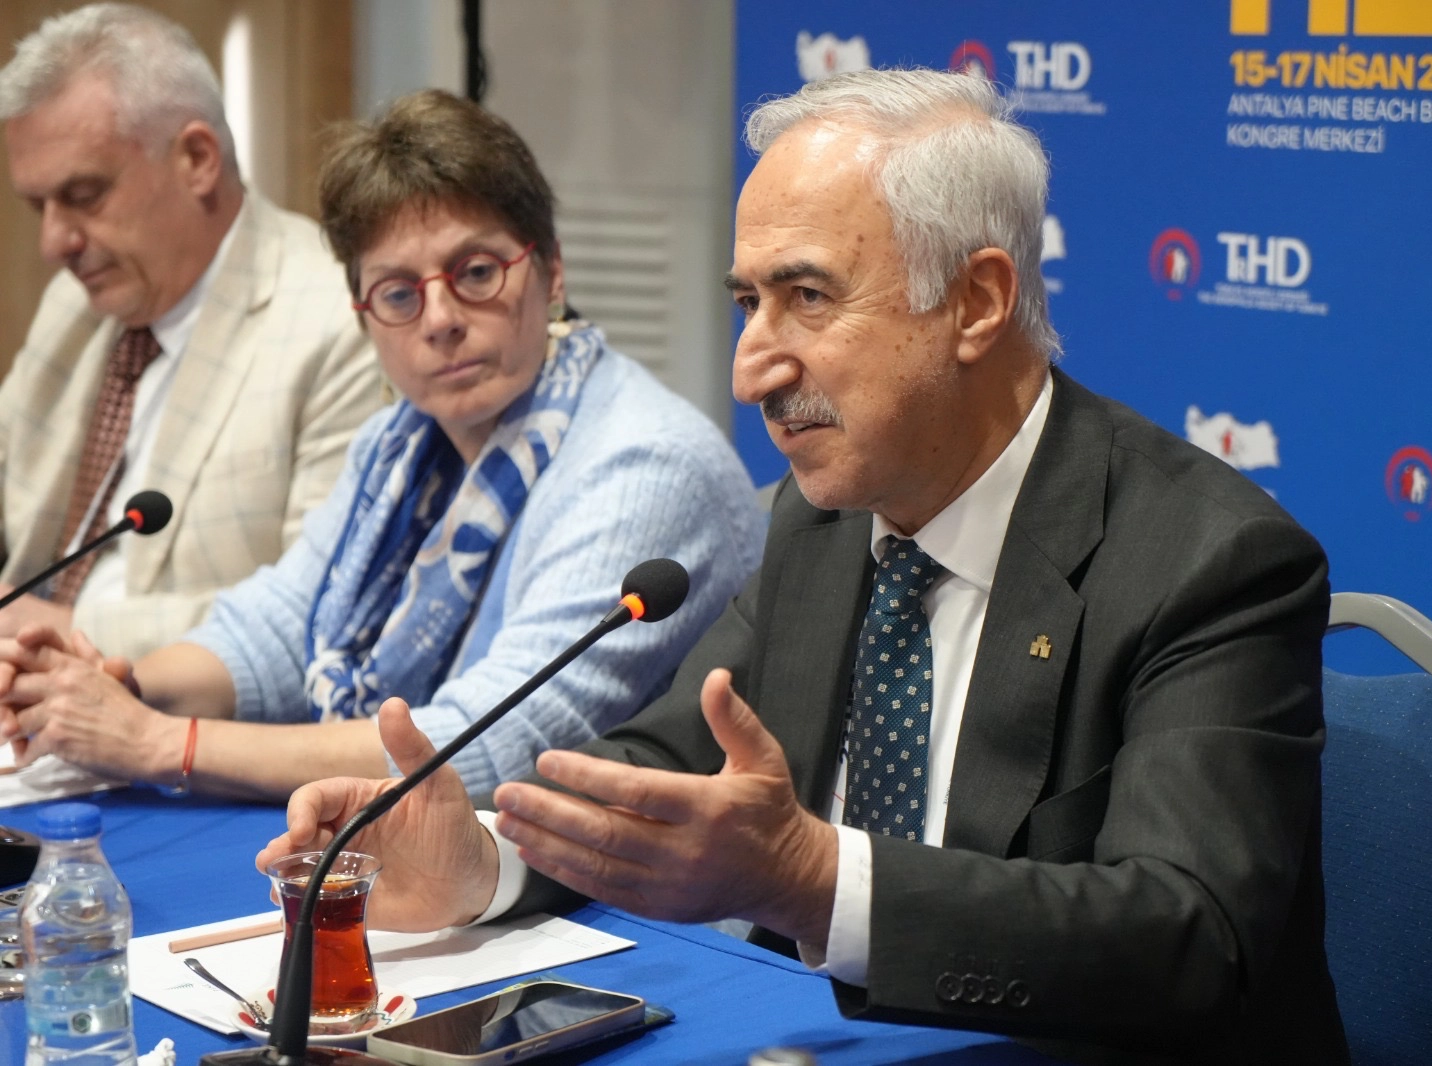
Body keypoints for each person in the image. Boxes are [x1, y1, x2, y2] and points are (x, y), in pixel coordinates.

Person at [260, 69, 1348, 1062]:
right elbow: (669, 763)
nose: (751, 371)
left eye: (809, 298)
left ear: (975, 301)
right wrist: (488, 855)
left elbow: (1190, 937)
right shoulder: (823, 516)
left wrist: (813, 879)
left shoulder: (1208, 560)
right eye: (749, 303)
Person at [0, 89, 764, 800]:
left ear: (551, 272)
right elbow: (281, 627)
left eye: (475, 273)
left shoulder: (643, 464)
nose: (440, 320)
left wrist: (160, 742)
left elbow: (488, 743)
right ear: (365, 314)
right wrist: (116, 688)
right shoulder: (400, 445)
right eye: (398, 293)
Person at [0, 3, 381, 658]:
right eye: (39, 207)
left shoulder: (335, 324)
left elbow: (319, 612)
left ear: (197, 159)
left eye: (84, 196)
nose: (55, 243)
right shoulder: (77, 305)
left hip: (170, 702)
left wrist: (53, 628)